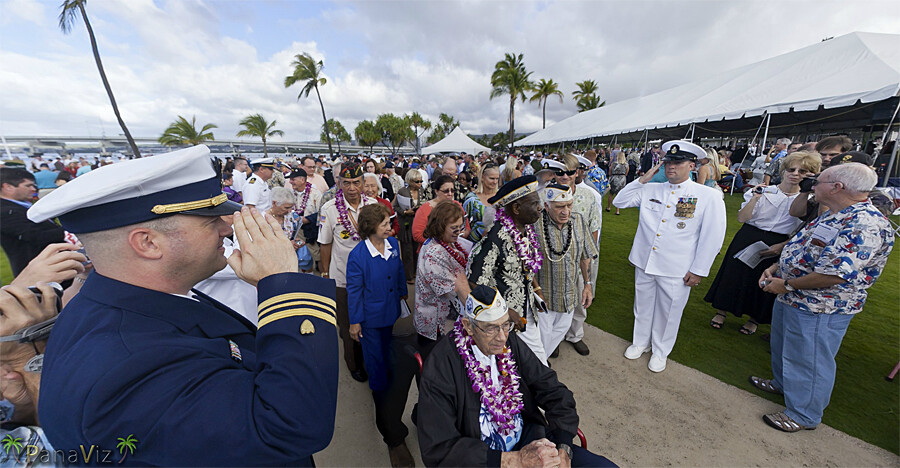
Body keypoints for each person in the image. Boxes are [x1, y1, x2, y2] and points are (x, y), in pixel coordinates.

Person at [28, 145, 339, 465]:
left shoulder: (140, 300)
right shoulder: (124, 369)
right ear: (148, 242)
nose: (226, 227)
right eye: (208, 218)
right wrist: (285, 285)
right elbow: (289, 426)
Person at [750, 163, 894, 433]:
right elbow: (804, 246)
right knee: (786, 348)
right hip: (795, 296)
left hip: (821, 306)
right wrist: (778, 267)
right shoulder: (837, 213)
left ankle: (803, 415)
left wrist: (787, 284)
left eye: (819, 181)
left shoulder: (863, 224)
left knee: (810, 359)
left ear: (837, 187)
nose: (813, 185)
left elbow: (836, 275)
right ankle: (782, 385)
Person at [416, 285, 617, 468]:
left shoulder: (509, 343)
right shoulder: (442, 364)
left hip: (532, 438)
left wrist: (564, 449)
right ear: (468, 326)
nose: (502, 337)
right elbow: (439, 448)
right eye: (491, 328)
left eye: (505, 325)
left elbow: (553, 389)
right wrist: (517, 460)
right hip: (486, 459)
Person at [613, 140, 727, 372]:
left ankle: (660, 351)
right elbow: (619, 201)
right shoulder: (650, 189)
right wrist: (641, 179)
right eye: (668, 162)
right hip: (645, 260)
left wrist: (699, 270)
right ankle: (640, 342)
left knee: (669, 311)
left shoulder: (708, 196)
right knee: (642, 306)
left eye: (678, 162)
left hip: (677, 266)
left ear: (692, 165)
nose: (671, 167)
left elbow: (712, 237)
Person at [705, 151, 820, 334]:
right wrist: (755, 198)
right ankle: (721, 311)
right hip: (749, 236)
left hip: (780, 242)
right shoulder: (762, 191)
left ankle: (754, 319)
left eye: (803, 171)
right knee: (734, 276)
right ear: (783, 171)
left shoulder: (811, 202)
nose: (795, 174)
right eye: (791, 169)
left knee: (765, 280)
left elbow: (804, 230)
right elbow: (742, 218)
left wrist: (782, 246)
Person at [345, 203, 413, 466]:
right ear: (371, 227)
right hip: (371, 321)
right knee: (377, 365)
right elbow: (355, 291)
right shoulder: (358, 256)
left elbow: (397, 274)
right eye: (385, 223)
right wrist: (355, 323)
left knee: (390, 356)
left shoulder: (393, 245)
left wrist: (402, 293)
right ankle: (381, 403)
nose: (390, 226)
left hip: (392, 314)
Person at [468, 176, 548, 365]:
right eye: (535, 203)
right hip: (503, 321)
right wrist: (506, 312)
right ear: (516, 208)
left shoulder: (526, 231)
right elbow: (476, 281)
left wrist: (536, 290)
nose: (540, 207)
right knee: (508, 367)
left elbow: (526, 268)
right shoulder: (494, 238)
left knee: (536, 361)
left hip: (526, 311)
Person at [318, 161, 378, 382]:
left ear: (363, 182)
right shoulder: (329, 209)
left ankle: (369, 358)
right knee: (347, 326)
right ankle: (353, 364)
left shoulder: (373, 205)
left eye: (356, 182)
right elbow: (325, 245)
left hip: (371, 278)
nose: (352, 188)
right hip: (342, 279)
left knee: (370, 321)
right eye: (347, 183)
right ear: (339, 183)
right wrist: (325, 277)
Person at [534, 184, 597, 360]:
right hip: (543, 300)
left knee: (558, 334)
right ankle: (539, 372)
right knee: (540, 341)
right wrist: (536, 291)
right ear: (547, 206)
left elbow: (586, 256)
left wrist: (587, 285)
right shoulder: (534, 224)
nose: (566, 211)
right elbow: (525, 263)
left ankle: (540, 366)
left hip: (569, 298)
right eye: (560, 207)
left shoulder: (579, 221)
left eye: (569, 205)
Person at [553, 155, 601, 357]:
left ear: (577, 172)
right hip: (553, 258)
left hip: (580, 259)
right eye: (559, 172)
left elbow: (594, 229)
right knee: (552, 299)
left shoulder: (589, 196)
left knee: (581, 297)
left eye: (570, 171)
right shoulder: (544, 195)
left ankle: (575, 335)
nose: (565, 176)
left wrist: (588, 261)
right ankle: (553, 338)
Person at [414, 201, 473, 357]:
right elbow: (453, 290)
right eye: (454, 228)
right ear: (440, 226)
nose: (459, 232)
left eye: (461, 227)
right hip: (436, 324)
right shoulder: (434, 252)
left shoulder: (449, 242)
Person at [1, 168, 66, 276]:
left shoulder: (19, 205)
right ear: (8, 187)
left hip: (51, 266)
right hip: (40, 272)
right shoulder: (5, 212)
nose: (33, 189)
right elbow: (36, 236)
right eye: (28, 185)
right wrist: (70, 232)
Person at [412, 175, 469, 248]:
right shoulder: (425, 209)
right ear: (436, 191)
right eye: (446, 191)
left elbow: (467, 227)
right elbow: (417, 235)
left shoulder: (457, 205)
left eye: (452, 190)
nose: (450, 194)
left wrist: (463, 233)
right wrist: (441, 242)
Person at [287, 168, 323, 274]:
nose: (290, 182)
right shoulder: (289, 194)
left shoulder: (315, 194)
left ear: (302, 180)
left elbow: (322, 214)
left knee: (316, 258)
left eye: (293, 179)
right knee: (295, 259)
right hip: (294, 233)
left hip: (310, 233)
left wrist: (306, 219)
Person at [393, 169, 426, 284]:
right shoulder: (402, 191)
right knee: (407, 251)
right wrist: (405, 212)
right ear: (410, 181)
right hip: (406, 224)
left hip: (418, 224)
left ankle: (416, 272)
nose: (420, 183)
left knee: (417, 249)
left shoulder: (422, 190)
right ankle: (408, 275)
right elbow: (395, 207)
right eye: (417, 181)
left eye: (421, 181)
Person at [462, 163, 500, 243]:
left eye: (497, 178)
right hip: (474, 243)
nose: (495, 182)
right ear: (482, 177)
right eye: (492, 178)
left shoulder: (501, 197)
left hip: (497, 242)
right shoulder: (472, 199)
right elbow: (463, 222)